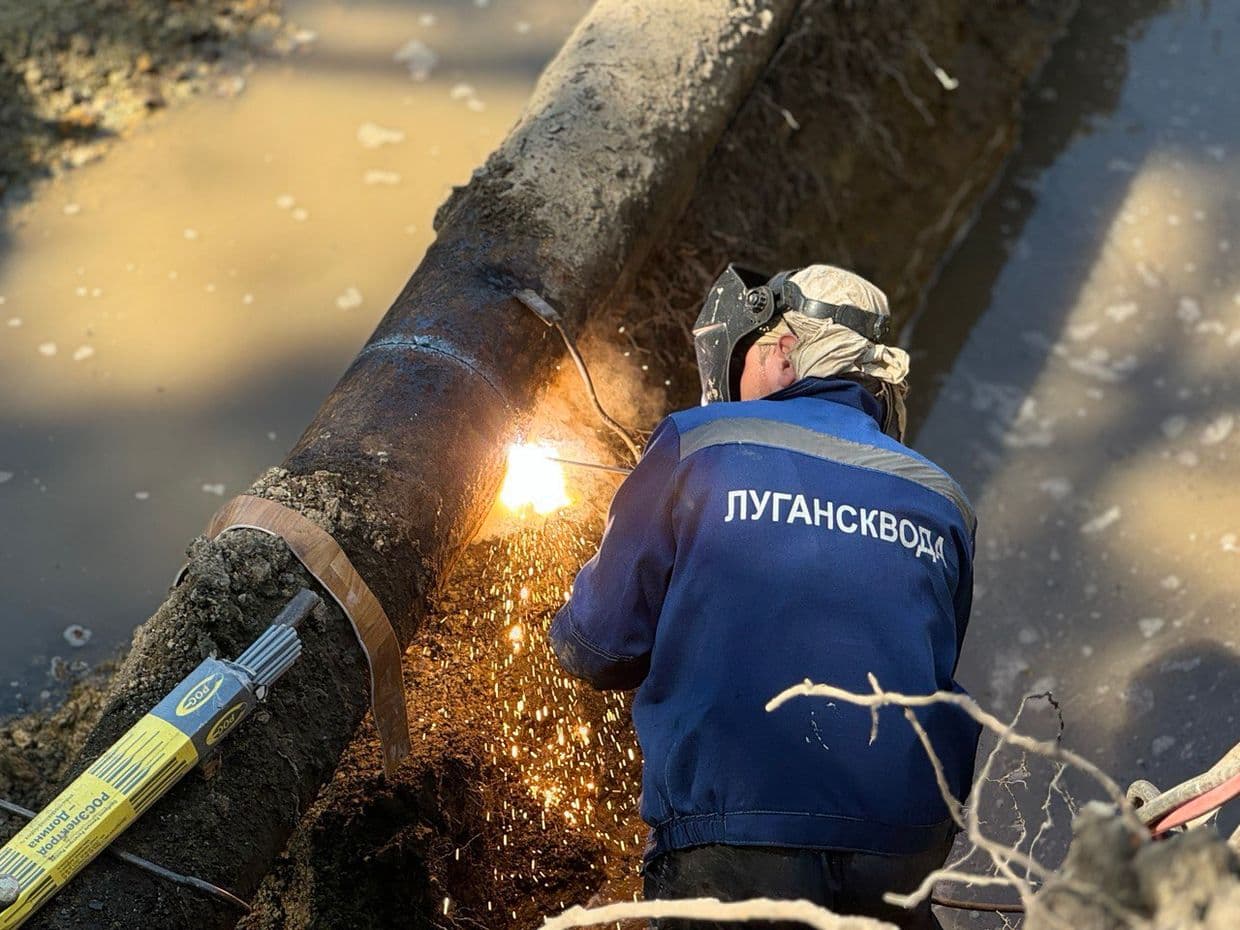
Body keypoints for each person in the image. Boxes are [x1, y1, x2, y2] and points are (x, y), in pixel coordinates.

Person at [549, 263, 980, 929]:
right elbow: (924, 657)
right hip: (898, 850)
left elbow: (598, 646)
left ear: (783, 353)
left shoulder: (700, 440)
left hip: (739, 840)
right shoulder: (941, 499)